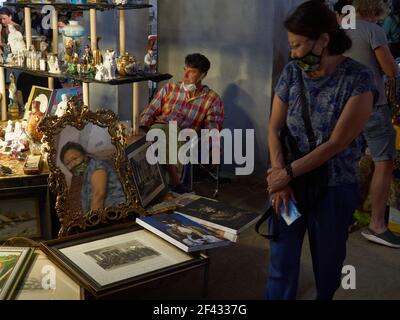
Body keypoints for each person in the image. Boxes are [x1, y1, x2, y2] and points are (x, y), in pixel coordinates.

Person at [266, 1, 375, 300]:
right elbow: (274, 128)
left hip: (334, 189)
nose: (292, 53)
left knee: (327, 265)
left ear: (323, 40)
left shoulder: (358, 80)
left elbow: (336, 145)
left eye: (298, 45)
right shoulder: (291, 73)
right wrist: (280, 175)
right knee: (281, 258)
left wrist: (285, 173)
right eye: (290, 45)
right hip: (288, 188)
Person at [344, 0, 400, 248]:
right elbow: (390, 69)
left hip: (344, 106)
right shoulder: (373, 30)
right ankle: (376, 225)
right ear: (376, 9)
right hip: (372, 106)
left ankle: (341, 216)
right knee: (384, 161)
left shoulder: (340, 29)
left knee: (345, 160)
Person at [140, 53, 224, 193]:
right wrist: (142, 130)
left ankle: (162, 187)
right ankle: (175, 184)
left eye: (192, 72)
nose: (185, 75)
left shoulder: (212, 99)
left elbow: (212, 129)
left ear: (203, 75)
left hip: (184, 137)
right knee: (162, 132)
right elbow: (148, 112)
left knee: (168, 132)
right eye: (185, 69)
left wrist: (212, 149)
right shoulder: (170, 88)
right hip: (158, 129)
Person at [59, 142, 126, 212]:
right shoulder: (85, 176)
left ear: (85, 156)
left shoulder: (95, 166)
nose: (73, 164)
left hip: (117, 213)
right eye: (68, 163)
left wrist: (93, 220)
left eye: (75, 158)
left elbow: (99, 195)